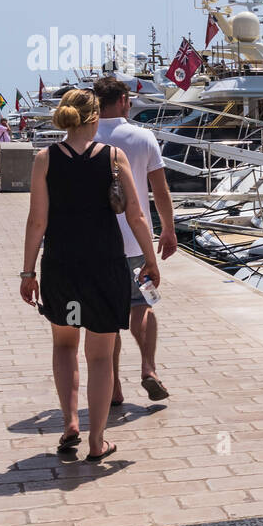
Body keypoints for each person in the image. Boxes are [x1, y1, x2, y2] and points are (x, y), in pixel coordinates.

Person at [20, 89, 160, 462]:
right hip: (105, 266)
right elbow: (136, 215)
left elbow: (37, 221)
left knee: (65, 345)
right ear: (96, 118)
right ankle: (97, 442)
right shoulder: (114, 157)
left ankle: (69, 422)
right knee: (100, 356)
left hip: (62, 266)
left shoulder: (45, 159)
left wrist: (27, 271)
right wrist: (151, 259)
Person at [92, 76, 177, 404]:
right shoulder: (143, 137)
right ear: (124, 101)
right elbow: (160, 189)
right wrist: (168, 229)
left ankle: (113, 388)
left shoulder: (86, 139)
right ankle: (148, 367)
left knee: (108, 318)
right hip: (136, 244)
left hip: (97, 247)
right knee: (143, 305)